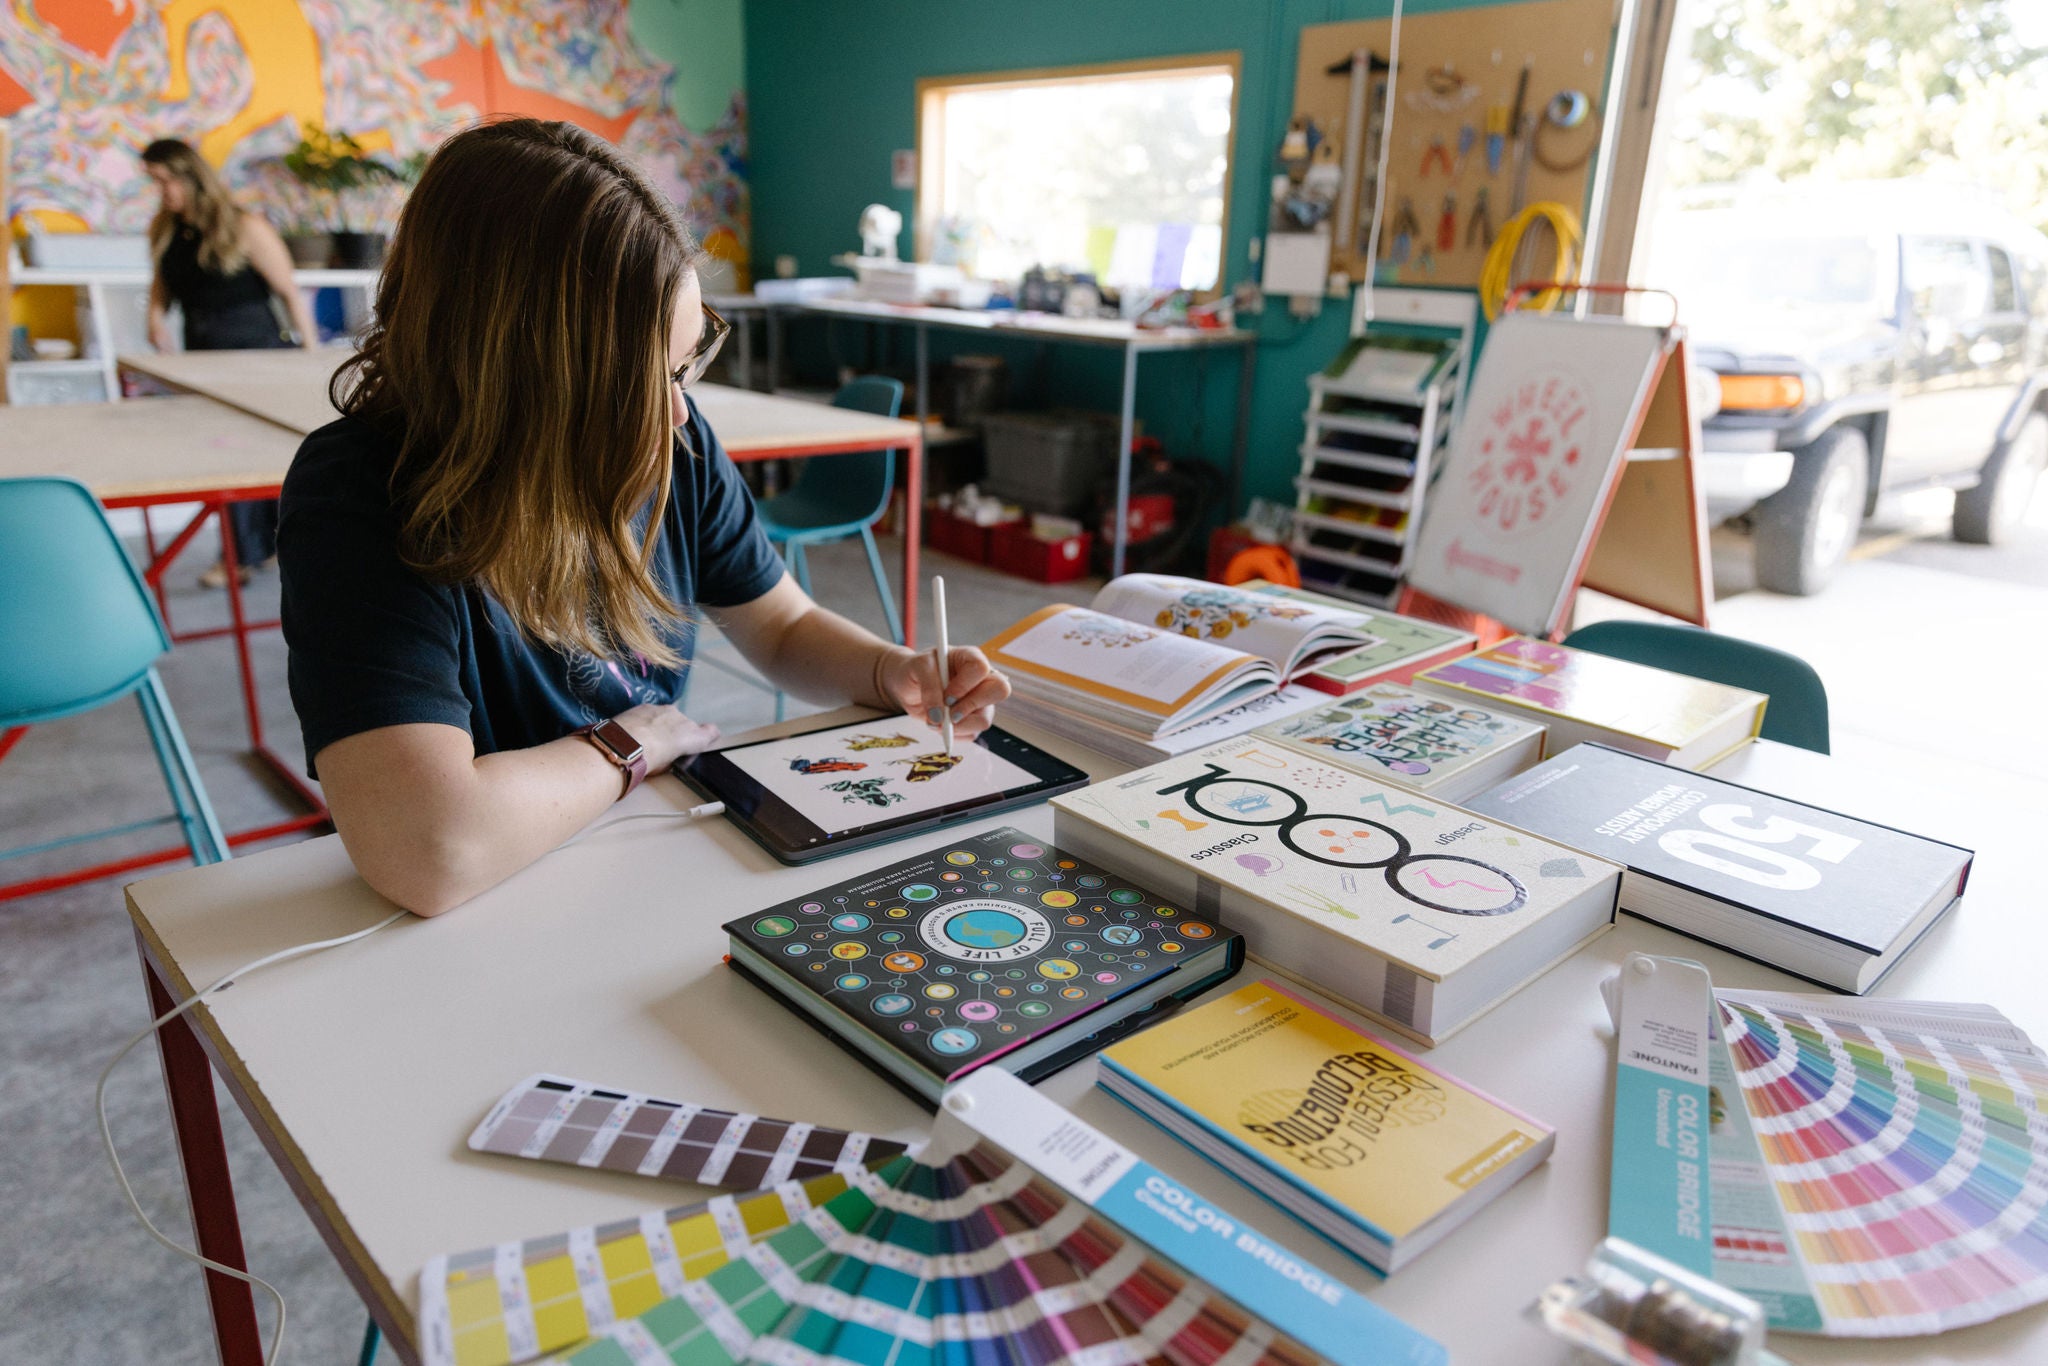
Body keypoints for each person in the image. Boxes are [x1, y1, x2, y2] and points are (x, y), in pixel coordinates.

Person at [278, 119, 1008, 918]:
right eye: (639, 380)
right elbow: (432, 850)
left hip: (635, 852)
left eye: (684, 364)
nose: (678, 412)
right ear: (522, 376)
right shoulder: (362, 495)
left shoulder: (675, 448)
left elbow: (781, 625)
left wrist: (886, 671)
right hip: (497, 901)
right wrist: (632, 743)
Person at [142, 137, 319, 588]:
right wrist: (154, 318)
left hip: (256, 353)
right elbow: (162, 288)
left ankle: (256, 553)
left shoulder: (245, 226)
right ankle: (247, 552)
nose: (162, 191)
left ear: (190, 176)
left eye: (166, 180)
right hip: (203, 354)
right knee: (224, 457)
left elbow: (288, 292)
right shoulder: (165, 232)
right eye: (153, 181)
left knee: (266, 459)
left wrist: (312, 355)